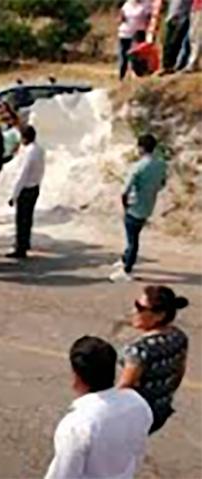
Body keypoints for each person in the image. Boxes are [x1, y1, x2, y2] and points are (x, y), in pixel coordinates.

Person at [45, 336, 153, 479]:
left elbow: (63, 474)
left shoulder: (76, 426)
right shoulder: (138, 404)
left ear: (76, 377)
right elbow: (137, 452)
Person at [118, 285, 189, 434]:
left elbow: (125, 387)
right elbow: (179, 373)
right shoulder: (179, 337)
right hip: (159, 411)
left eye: (140, 308)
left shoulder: (140, 349)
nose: (134, 311)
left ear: (159, 315)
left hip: (135, 415)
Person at [110, 134, 167, 282]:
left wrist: (125, 205)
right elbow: (162, 184)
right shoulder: (161, 164)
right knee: (134, 235)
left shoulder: (138, 166)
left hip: (134, 206)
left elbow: (125, 190)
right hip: (148, 205)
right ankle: (124, 259)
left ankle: (126, 269)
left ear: (141, 148)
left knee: (132, 240)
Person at [7, 125, 45, 259]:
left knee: (21, 219)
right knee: (28, 218)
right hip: (35, 187)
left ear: (24, 138)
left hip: (26, 189)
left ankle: (20, 248)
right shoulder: (39, 149)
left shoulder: (29, 152)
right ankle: (25, 242)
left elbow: (22, 175)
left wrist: (14, 194)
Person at [118, 0, 151, 80]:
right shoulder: (127, 4)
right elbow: (121, 18)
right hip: (125, 33)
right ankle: (121, 77)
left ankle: (136, 77)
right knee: (123, 57)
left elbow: (149, 18)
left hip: (138, 33)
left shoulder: (146, 4)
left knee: (136, 57)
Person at [161, 0, 194, 74]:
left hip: (181, 19)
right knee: (167, 44)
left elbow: (189, 7)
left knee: (176, 43)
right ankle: (166, 66)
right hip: (171, 18)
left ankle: (174, 65)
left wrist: (184, 17)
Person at [183, 0, 202, 71]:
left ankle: (193, 63)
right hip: (195, 8)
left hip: (199, 8)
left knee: (196, 37)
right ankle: (194, 63)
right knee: (194, 36)